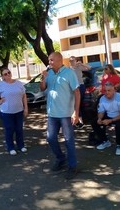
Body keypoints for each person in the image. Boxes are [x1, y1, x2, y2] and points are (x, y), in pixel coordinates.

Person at [40, 52, 80, 180]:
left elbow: (77, 93)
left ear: (59, 60)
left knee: (69, 140)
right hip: (52, 113)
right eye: (49, 60)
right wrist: (42, 78)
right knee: (51, 138)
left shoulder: (69, 73)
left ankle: (72, 166)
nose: (49, 62)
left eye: (51, 60)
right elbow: (42, 89)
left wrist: (76, 112)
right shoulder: (49, 73)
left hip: (66, 114)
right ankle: (61, 158)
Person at [0, 67, 28, 156]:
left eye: (9, 72)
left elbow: (24, 96)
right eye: (5, 74)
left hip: (19, 111)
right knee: (9, 130)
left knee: (19, 129)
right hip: (7, 112)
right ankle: (10, 147)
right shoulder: (1, 85)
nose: (8, 75)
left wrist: (26, 108)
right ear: (3, 77)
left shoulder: (18, 83)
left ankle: (21, 146)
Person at [94, 82, 120, 156]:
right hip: (109, 115)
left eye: (109, 90)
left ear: (114, 90)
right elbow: (101, 111)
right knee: (95, 122)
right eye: (105, 91)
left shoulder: (119, 97)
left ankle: (119, 145)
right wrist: (99, 118)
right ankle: (105, 141)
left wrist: (110, 120)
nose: (107, 93)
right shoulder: (102, 98)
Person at [69, 56, 91, 129]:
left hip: (80, 86)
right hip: (73, 88)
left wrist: (82, 64)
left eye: (73, 60)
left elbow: (89, 68)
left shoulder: (79, 67)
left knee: (79, 103)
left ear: (76, 60)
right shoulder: (69, 69)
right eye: (70, 61)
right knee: (74, 103)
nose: (72, 62)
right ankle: (77, 120)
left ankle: (80, 121)